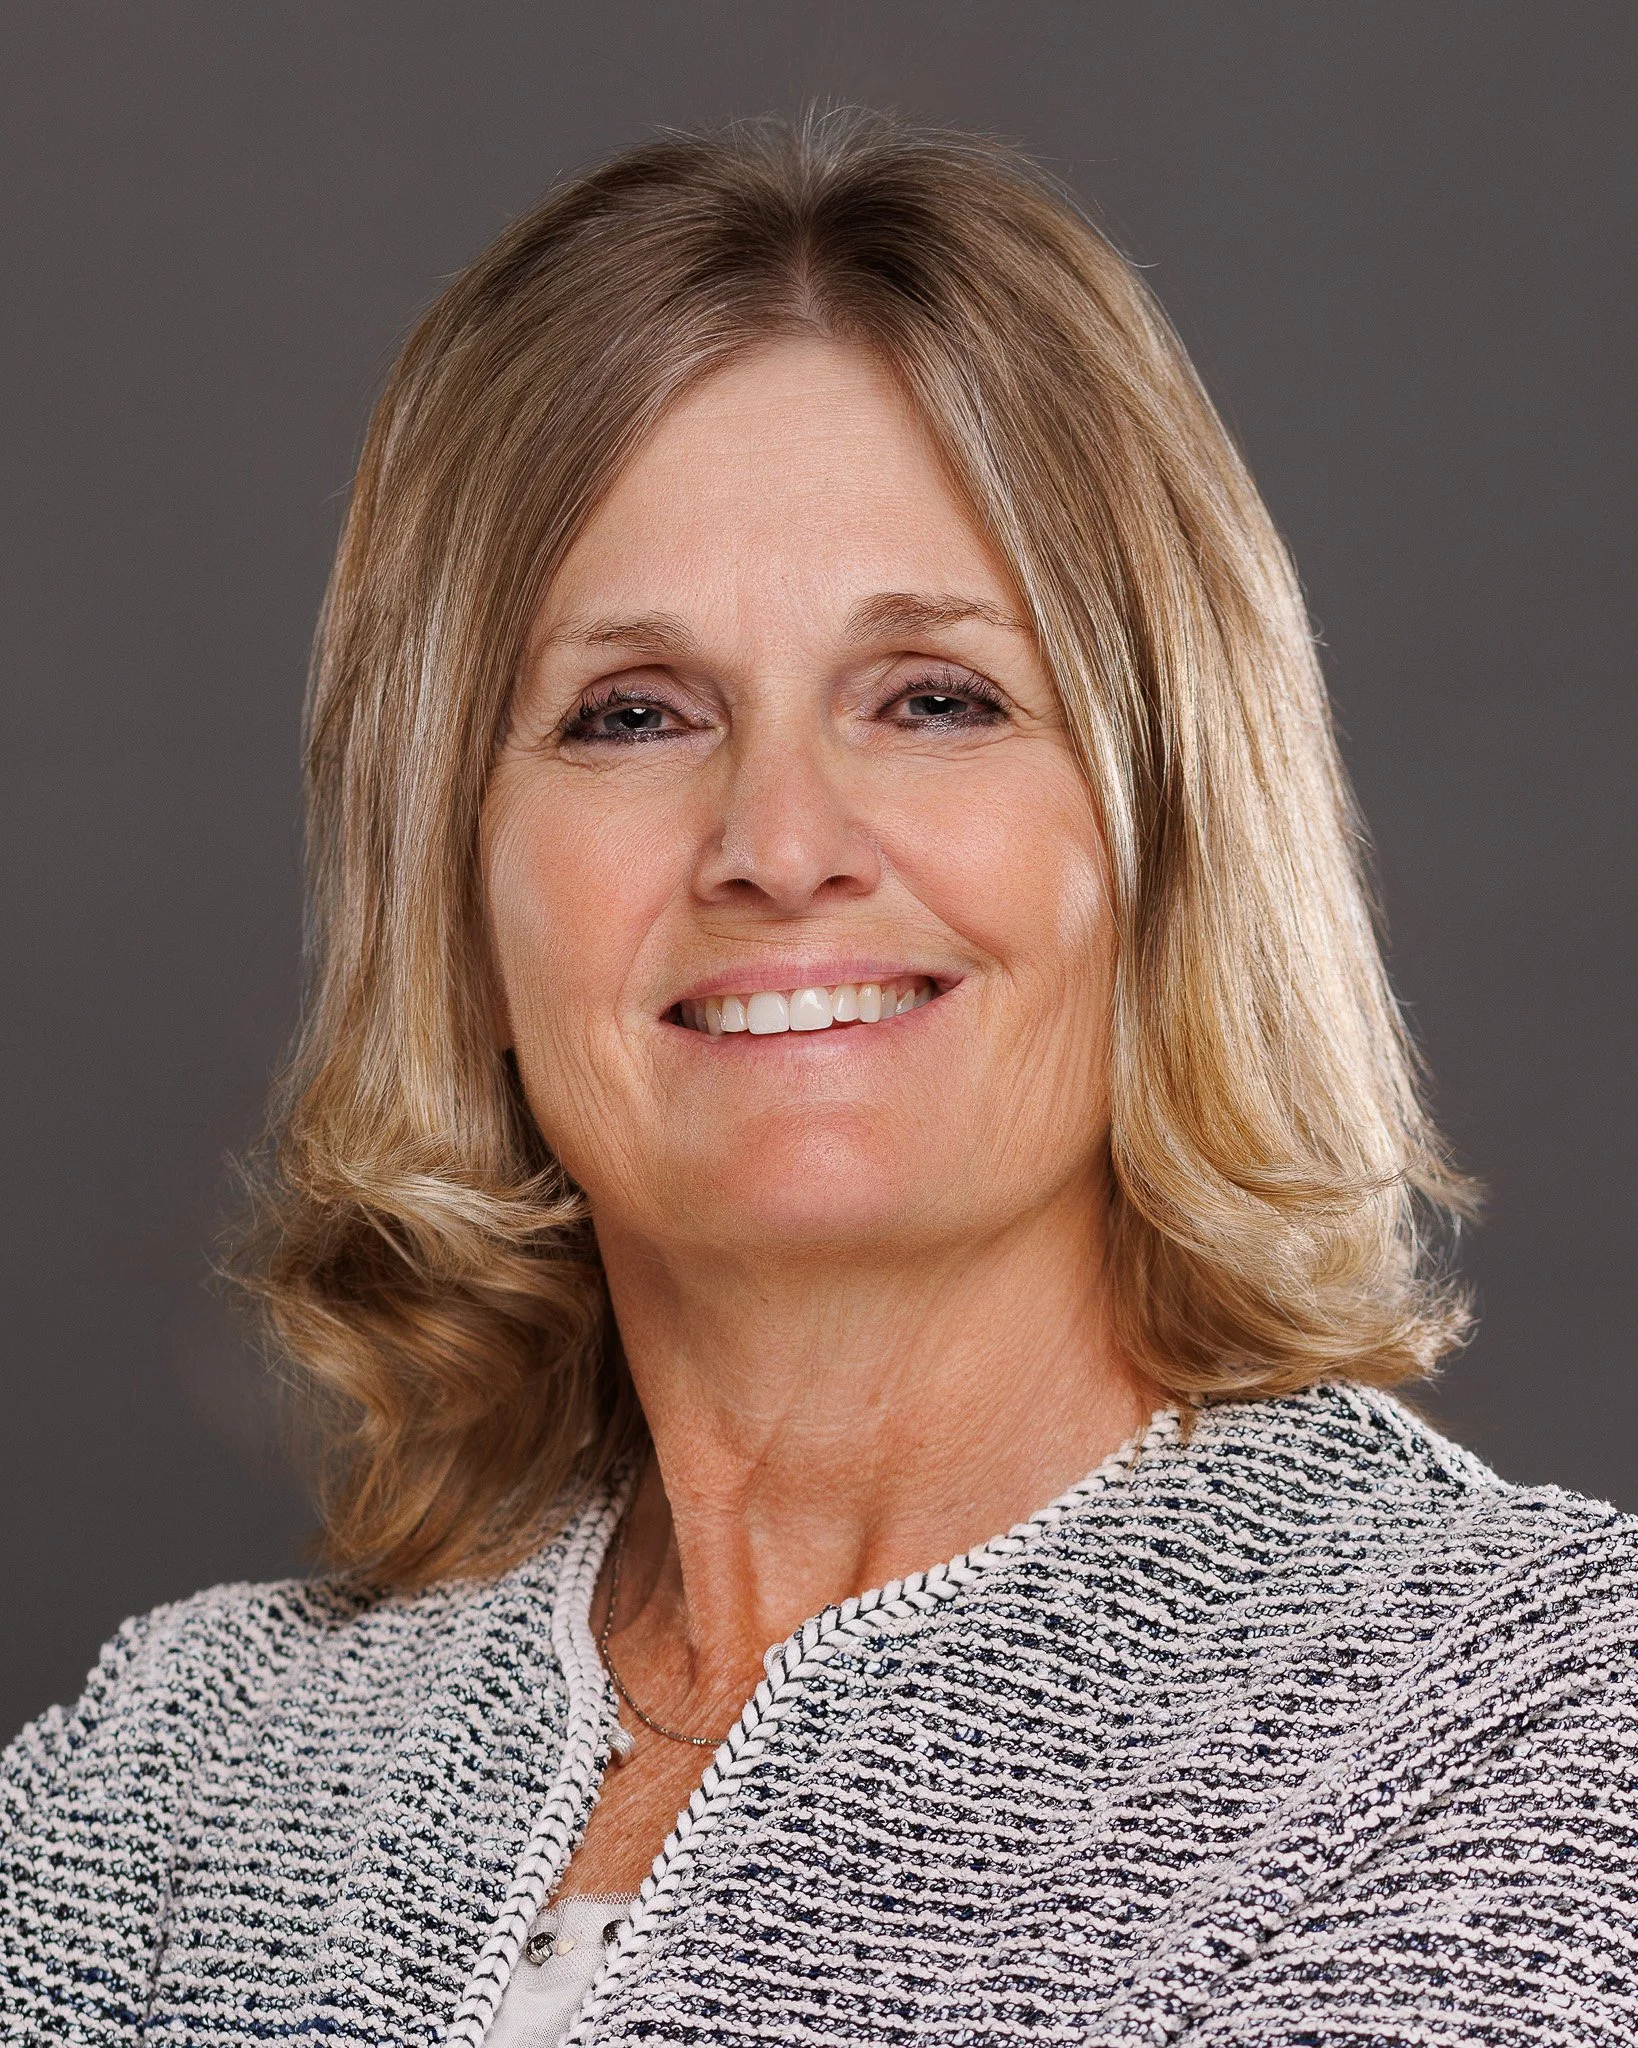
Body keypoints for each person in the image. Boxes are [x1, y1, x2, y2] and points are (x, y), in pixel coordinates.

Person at [3, 111, 1634, 2048]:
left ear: (1174, 834)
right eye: (630, 714)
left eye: (937, 698)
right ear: (455, 886)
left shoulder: (1531, 1732)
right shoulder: (161, 1783)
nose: (778, 844)